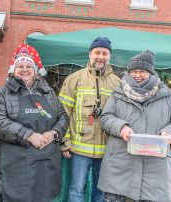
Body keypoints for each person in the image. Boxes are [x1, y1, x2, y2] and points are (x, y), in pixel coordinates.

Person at [98, 50, 171, 202]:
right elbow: (106, 118)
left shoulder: (166, 95)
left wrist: (170, 133)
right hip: (120, 164)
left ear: (151, 73)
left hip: (154, 168)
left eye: (142, 72)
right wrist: (121, 127)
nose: (137, 75)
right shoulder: (118, 93)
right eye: (133, 71)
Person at [0, 44, 69, 202]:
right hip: (15, 167)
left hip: (45, 164)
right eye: (20, 66)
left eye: (28, 66)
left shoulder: (49, 92)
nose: (25, 69)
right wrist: (29, 135)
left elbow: (63, 117)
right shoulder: (2, 94)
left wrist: (53, 133)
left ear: (35, 71)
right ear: (13, 70)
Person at [59, 37, 120, 202]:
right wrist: (64, 142)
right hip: (79, 150)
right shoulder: (74, 79)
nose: (100, 56)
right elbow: (62, 113)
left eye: (105, 53)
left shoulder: (118, 84)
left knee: (100, 192)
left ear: (110, 56)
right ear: (90, 54)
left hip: (106, 150)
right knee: (76, 190)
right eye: (97, 52)